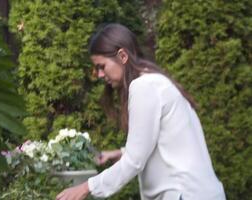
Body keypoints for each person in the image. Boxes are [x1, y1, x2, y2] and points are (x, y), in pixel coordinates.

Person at [56, 23, 226, 200]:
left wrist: (86, 187)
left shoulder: (144, 87)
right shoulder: (153, 81)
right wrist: (119, 153)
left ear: (122, 56)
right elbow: (158, 143)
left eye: (101, 66)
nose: (99, 75)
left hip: (185, 194)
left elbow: (134, 161)